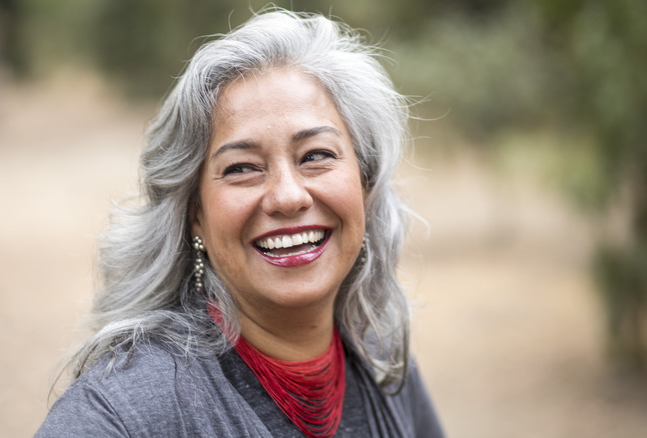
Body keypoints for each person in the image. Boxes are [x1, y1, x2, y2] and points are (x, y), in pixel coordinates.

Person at [35, 8, 443, 438]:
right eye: (242, 168)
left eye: (316, 156)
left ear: (366, 184)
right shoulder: (125, 412)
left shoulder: (382, 362)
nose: (287, 196)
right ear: (194, 214)